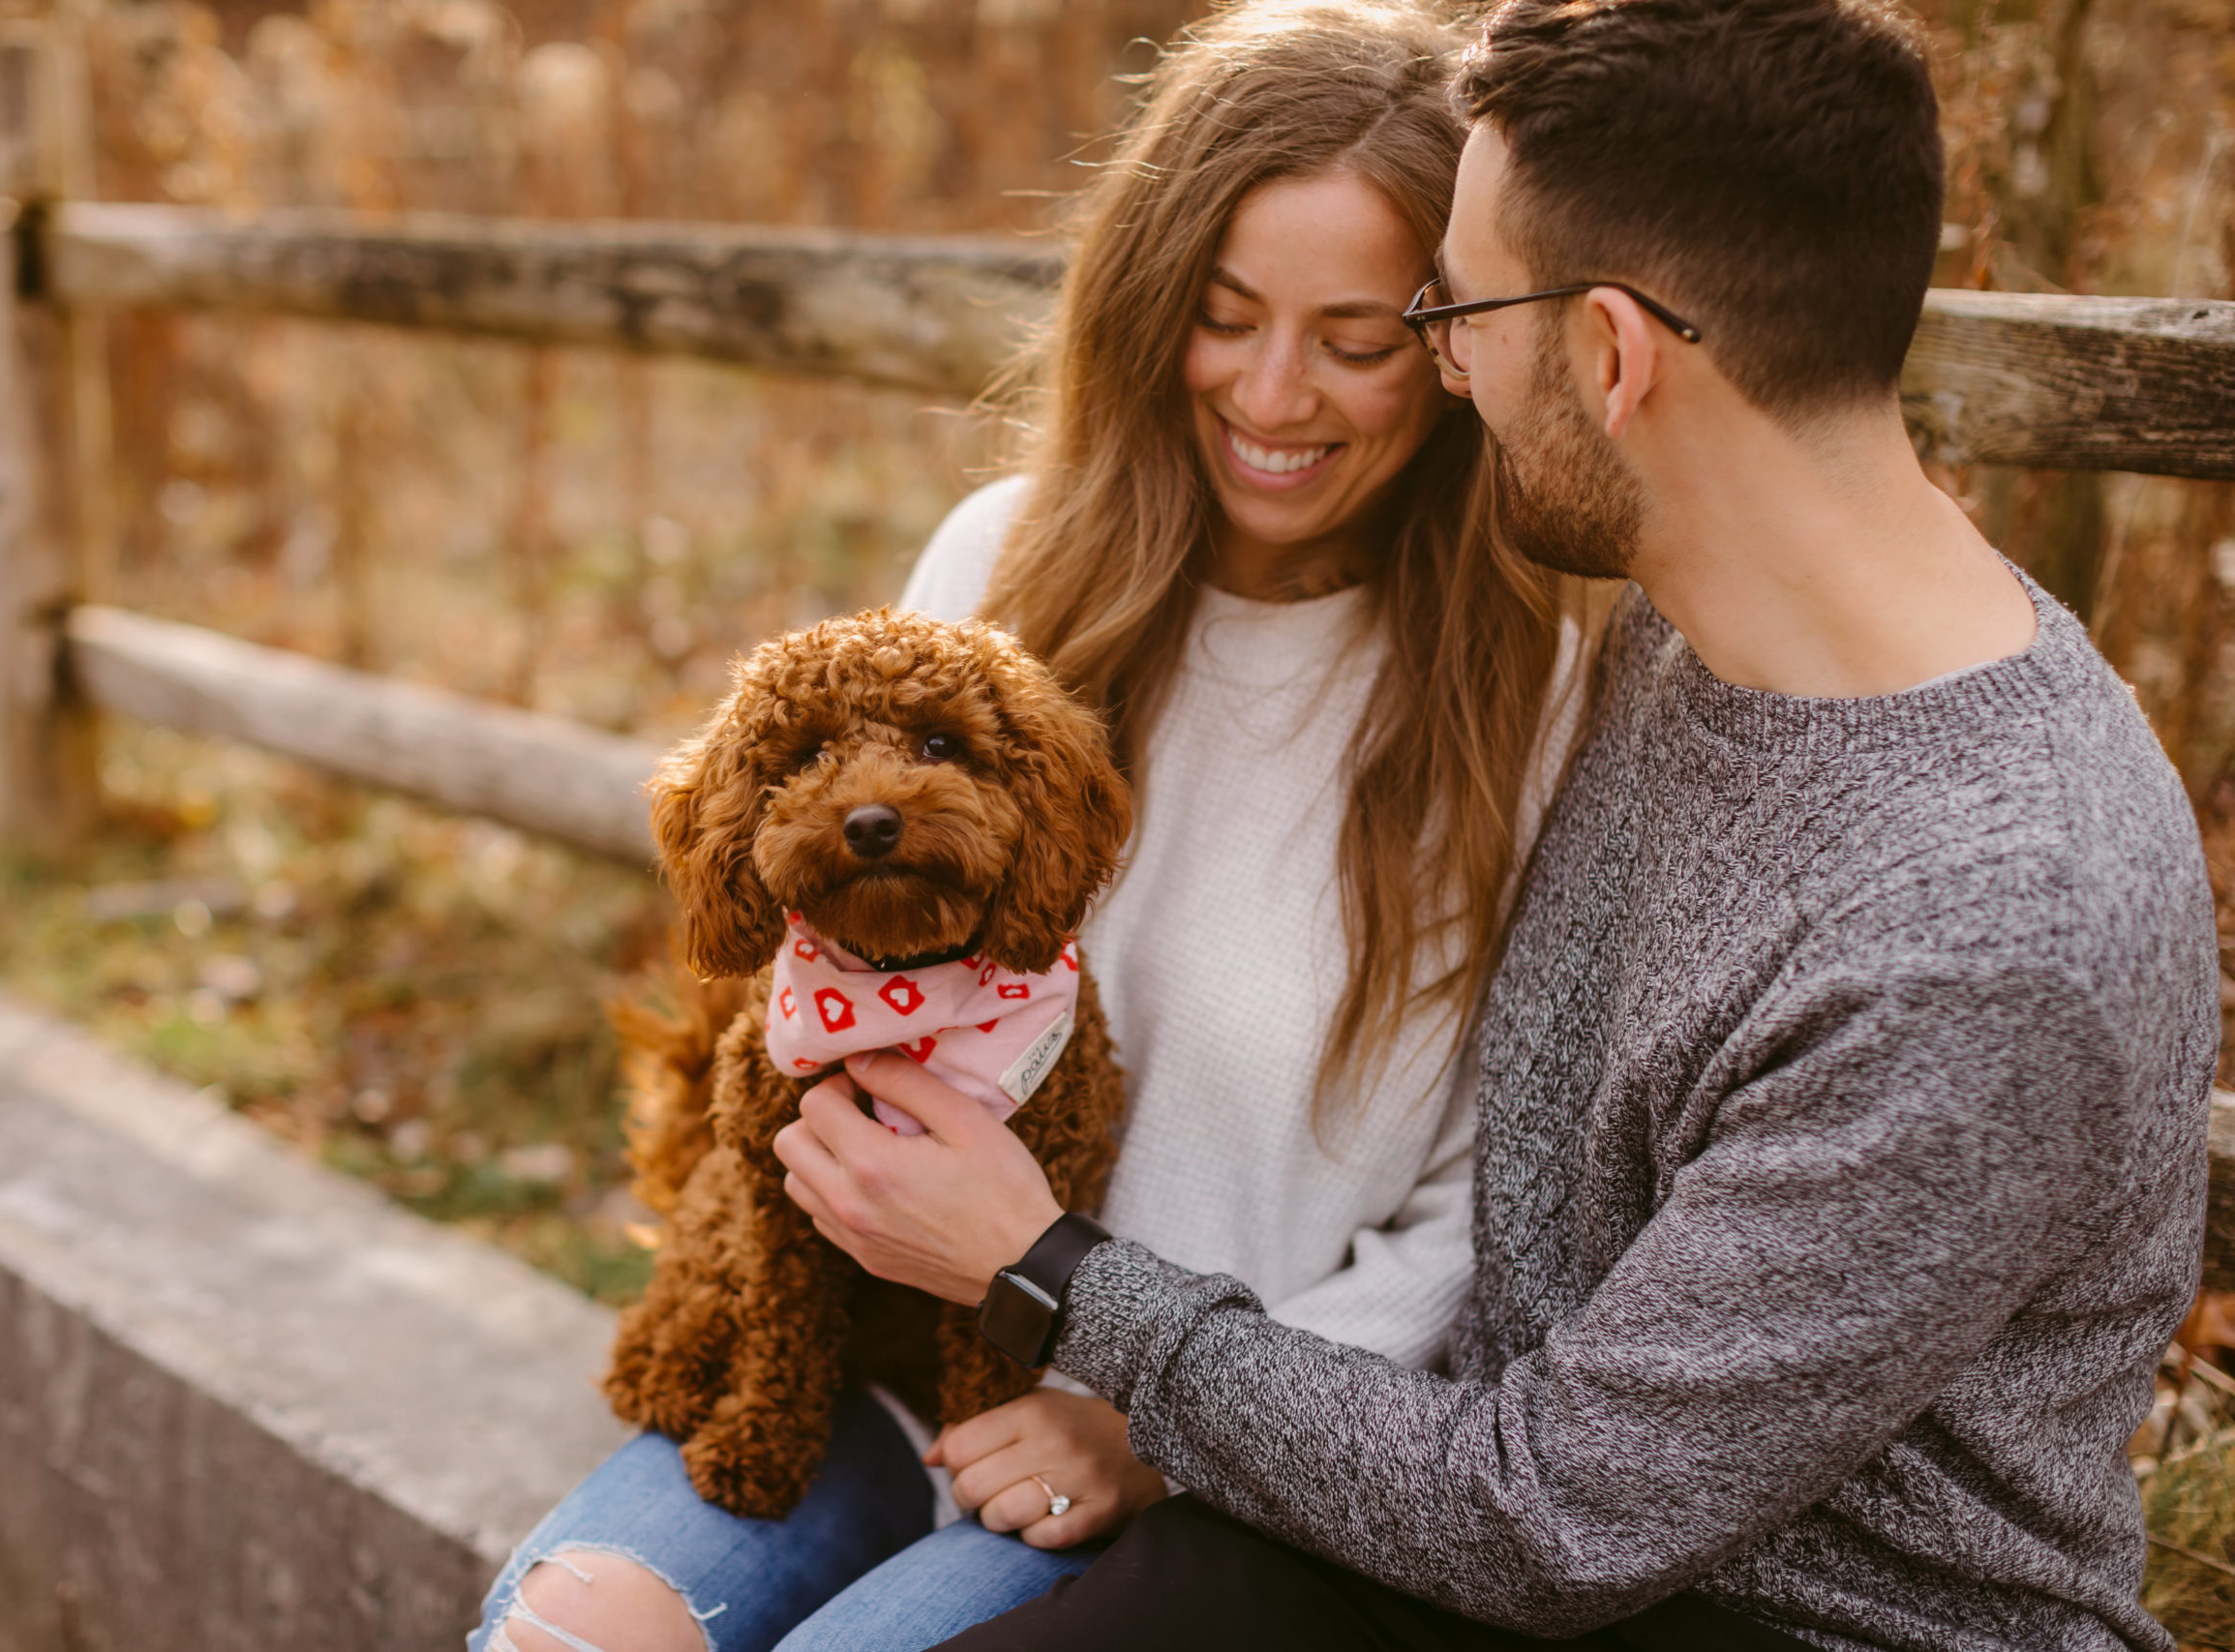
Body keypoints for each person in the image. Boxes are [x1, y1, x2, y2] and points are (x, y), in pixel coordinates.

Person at [773, 1, 2220, 1649]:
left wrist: (1054, 1271)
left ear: (1610, 355)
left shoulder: (1978, 928)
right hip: (1453, 1527)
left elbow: (1558, 1515)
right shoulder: (1699, 632)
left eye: (1451, 308)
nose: (1443, 360)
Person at [469, 5, 1587, 1650]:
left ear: (1454, 343)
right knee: (577, 1634)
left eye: (1354, 339)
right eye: (1223, 317)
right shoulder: (1002, 563)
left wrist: (1155, 1417)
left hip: (1196, 1461)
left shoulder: (1521, 705)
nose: (1275, 395)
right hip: (875, 1361)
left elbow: (1477, 1219)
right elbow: (803, 976)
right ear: (1149, 310)